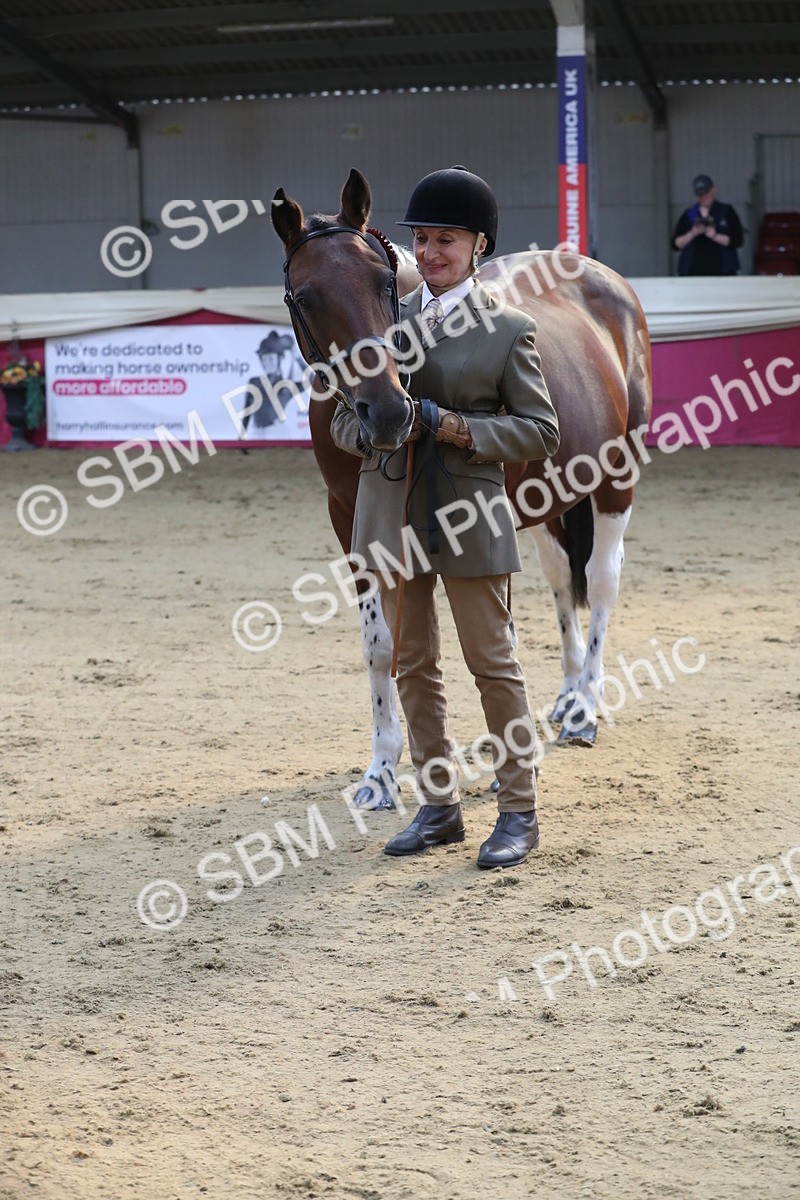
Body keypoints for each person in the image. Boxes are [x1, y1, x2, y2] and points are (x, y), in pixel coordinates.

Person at [331, 165, 560, 869]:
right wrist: (373, 430)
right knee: (413, 666)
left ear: (478, 247)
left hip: (468, 512)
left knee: (492, 664)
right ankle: (438, 807)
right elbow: (342, 420)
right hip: (390, 510)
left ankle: (518, 811)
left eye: (446, 241)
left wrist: (458, 427)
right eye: (423, 239)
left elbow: (540, 432)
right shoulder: (381, 322)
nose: (430, 253)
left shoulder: (508, 330)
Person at [672, 174, 744, 276]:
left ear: (713, 190)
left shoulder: (726, 211)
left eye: (707, 193)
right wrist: (692, 233)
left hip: (723, 271)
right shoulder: (690, 214)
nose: (704, 197)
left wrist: (715, 236)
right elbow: (675, 244)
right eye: (700, 194)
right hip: (692, 272)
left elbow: (738, 240)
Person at [244, 330, 298, 433]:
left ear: (280, 358)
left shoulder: (286, 384)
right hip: (257, 431)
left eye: (271, 358)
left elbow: (312, 380)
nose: (267, 362)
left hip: (277, 430)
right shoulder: (254, 382)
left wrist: (296, 358)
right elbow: (247, 409)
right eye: (264, 359)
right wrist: (242, 435)